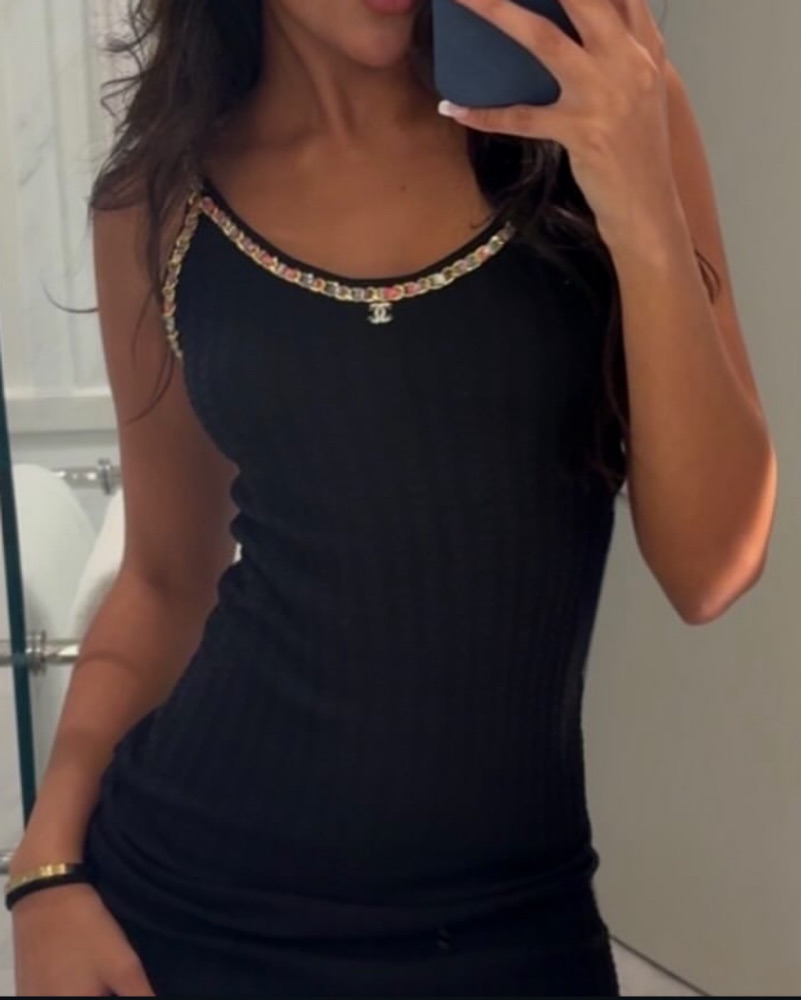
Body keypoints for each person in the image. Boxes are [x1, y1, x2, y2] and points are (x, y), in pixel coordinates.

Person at [8, 0, 776, 995]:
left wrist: (638, 195)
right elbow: (161, 582)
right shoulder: (159, 202)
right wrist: (45, 869)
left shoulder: (608, 115)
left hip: (515, 925)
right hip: (193, 913)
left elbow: (712, 566)